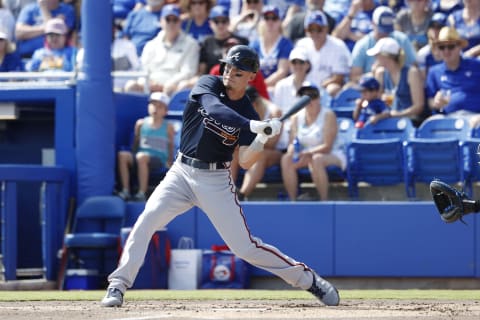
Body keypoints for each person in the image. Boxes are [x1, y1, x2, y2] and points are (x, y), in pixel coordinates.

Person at [100, 44, 339, 308]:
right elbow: (214, 109)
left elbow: (246, 161)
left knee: (245, 248)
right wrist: (253, 125)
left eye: (239, 71)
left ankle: (309, 280)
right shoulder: (209, 84)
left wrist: (261, 138)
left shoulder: (250, 112)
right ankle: (118, 285)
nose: (230, 72)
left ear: (251, 77)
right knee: (146, 221)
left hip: (215, 180)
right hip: (181, 172)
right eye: (229, 66)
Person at [280, 83, 346, 201]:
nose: (309, 101)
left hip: (331, 154)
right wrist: (292, 150)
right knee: (286, 159)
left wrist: (307, 153)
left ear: (319, 98)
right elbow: (292, 142)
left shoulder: (328, 115)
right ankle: (292, 200)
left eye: (313, 96)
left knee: (317, 159)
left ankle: (324, 200)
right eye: (305, 97)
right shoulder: (296, 117)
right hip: (306, 155)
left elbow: (327, 146)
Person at [124, 4, 200, 96]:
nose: (171, 23)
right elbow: (143, 69)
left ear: (180, 22)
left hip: (174, 88)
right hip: (150, 86)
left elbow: (188, 72)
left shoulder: (191, 44)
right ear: (161, 22)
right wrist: (149, 83)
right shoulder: (151, 45)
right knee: (131, 86)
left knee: (177, 87)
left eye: (175, 20)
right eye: (168, 19)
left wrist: (166, 84)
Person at [117, 92, 175, 201]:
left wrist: (170, 162)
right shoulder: (140, 123)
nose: (155, 109)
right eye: (153, 105)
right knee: (122, 155)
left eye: (160, 106)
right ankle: (125, 191)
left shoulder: (169, 127)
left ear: (165, 111)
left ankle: (142, 193)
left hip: (158, 160)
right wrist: (132, 154)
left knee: (141, 157)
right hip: (140, 156)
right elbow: (136, 142)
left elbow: (170, 145)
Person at [426, 26, 480, 128]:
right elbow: (430, 101)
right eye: (442, 47)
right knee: (429, 124)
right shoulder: (434, 71)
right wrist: (436, 102)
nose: (446, 51)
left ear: (459, 47)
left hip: (475, 117)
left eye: (450, 46)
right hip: (447, 118)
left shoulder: (477, 66)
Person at [349, 6, 417, 84]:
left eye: (387, 30)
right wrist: (373, 76)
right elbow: (354, 77)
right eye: (381, 30)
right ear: (373, 23)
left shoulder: (402, 39)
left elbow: (413, 66)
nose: (385, 34)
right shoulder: (363, 45)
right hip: (371, 90)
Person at [366, 36, 426, 126]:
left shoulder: (411, 73)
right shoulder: (380, 74)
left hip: (410, 122)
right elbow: (377, 101)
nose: (376, 59)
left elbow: (419, 106)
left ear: (385, 56)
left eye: (377, 56)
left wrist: (398, 114)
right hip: (388, 122)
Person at [236, 85, 282, 199]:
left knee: (259, 155)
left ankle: (242, 194)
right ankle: (228, 193)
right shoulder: (245, 109)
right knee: (232, 154)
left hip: (278, 152)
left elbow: (272, 144)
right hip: (255, 147)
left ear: (256, 102)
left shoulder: (274, 112)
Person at [295, 10, 352, 97]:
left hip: (325, 90)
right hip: (305, 87)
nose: (315, 33)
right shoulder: (301, 45)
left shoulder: (338, 46)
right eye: (311, 29)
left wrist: (316, 89)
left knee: (333, 88)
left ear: (326, 28)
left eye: (319, 29)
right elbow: (295, 69)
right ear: (306, 30)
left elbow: (338, 78)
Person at [249, 5, 293, 97]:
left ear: (280, 21)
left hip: (277, 90)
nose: (270, 22)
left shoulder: (285, 44)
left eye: (274, 18)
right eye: (266, 18)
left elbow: (282, 71)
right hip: (256, 90)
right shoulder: (254, 44)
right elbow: (249, 69)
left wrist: (262, 86)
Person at [417, 12, 448, 79]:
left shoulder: (453, 50)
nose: (435, 30)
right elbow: (423, 81)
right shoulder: (423, 54)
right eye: (432, 26)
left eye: (439, 27)